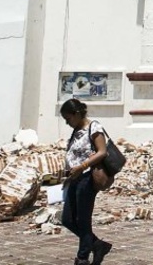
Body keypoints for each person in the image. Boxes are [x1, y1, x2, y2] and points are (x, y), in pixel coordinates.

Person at [60, 98, 113, 265]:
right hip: (74, 178)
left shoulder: (94, 127)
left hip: (87, 178)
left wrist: (82, 166)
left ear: (76, 114)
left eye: (68, 119)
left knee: (83, 220)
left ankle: (82, 258)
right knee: (67, 219)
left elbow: (102, 152)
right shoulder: (76, 130)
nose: (67, 123)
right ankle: (97, 244)